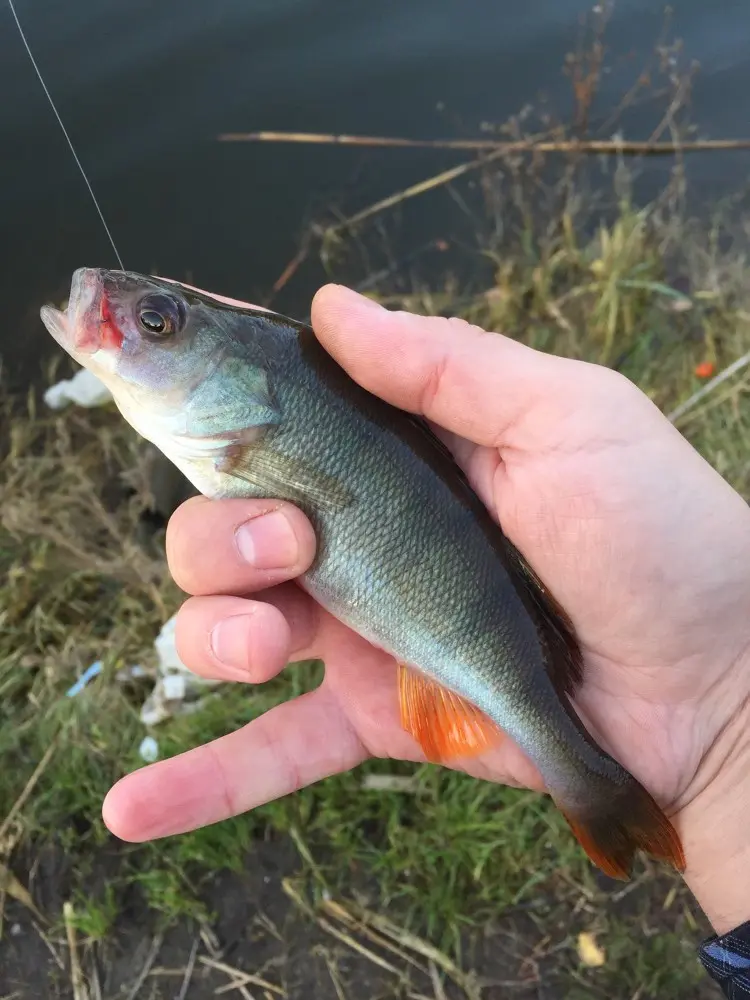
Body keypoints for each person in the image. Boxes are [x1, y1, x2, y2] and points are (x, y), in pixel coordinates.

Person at [102, 284, 750, 994]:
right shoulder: (255, 410)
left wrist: (727, 723)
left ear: (243, 381)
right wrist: (726, 761)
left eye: (155, 323)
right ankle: (597, 784)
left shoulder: (261, 415)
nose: (118, 319)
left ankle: (589, 781)